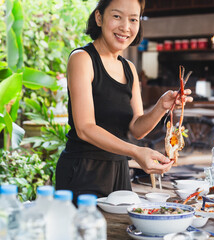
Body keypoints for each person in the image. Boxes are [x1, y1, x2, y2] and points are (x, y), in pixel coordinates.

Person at [55, 0, 193, 203]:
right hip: (83, 169)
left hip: (119, 170)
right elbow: (84, 128)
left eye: (133, 19)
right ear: (99, 17)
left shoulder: (129, 68)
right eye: (117, 16)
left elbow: (137, 128)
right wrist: (136, 152)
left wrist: (162, 106)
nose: (125, 27)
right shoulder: (82, 59)